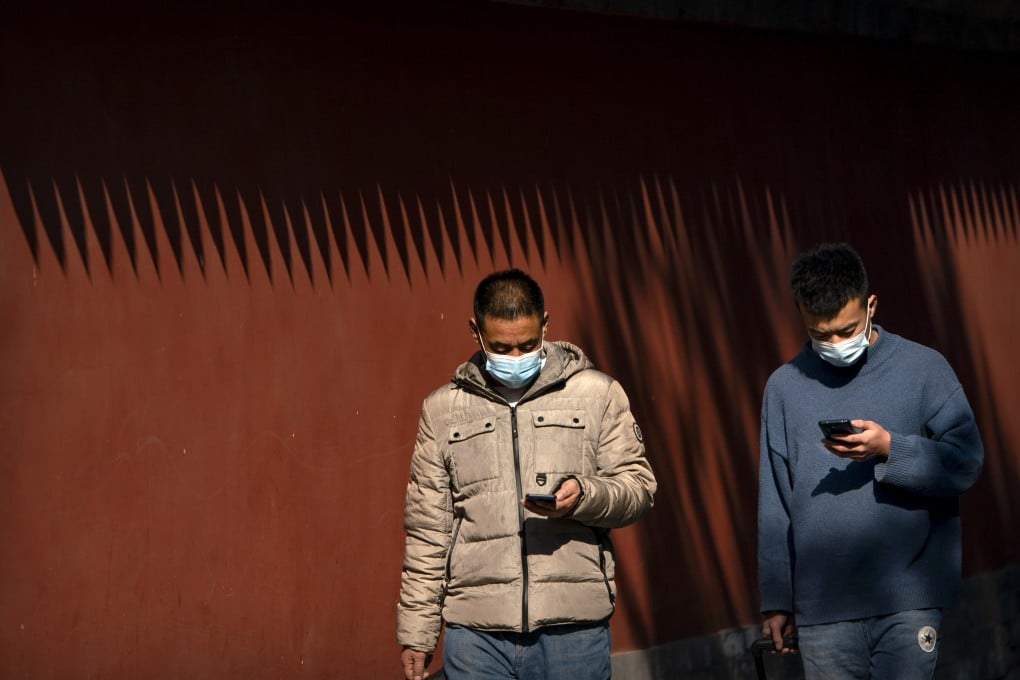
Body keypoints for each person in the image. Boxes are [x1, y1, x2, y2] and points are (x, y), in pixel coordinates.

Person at [397, 268, 657, 680]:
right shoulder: (443, 410)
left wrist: (586, 495)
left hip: (573, 627)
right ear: (475, 332)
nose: (515, 358)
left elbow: (639, 488)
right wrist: (418, 629)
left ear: (546, 325)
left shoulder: (596, 393)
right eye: (502, 347)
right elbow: (429, 530)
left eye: (527, 344)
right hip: (476, 633)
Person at [757, 242, 984, 679]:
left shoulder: (923, 369)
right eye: (820, 335)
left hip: (908, 596)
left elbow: (966, 461)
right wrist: (776, 599)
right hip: (823, 607)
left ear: (871, 305)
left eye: (846, 330)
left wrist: (890, 449)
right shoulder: (784, 388)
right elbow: (775, 505)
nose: (835, 344)